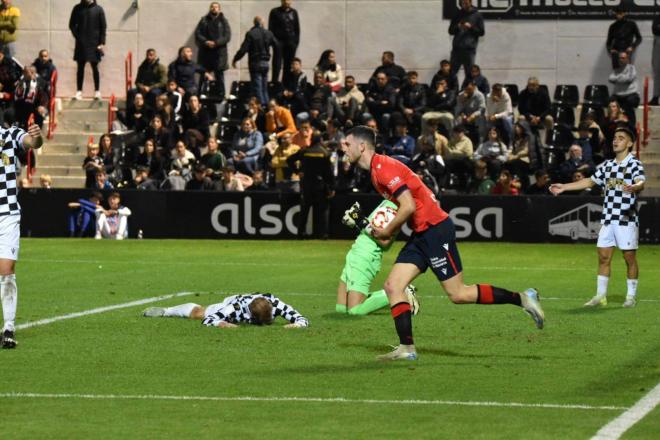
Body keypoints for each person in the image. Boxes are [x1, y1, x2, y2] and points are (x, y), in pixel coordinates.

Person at [340, 126, 543, 361]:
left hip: (435, 230)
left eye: (347, 143)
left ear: (361, 146)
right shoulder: (377, 172)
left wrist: (386, 230)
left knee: (458, 294)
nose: (342, 147)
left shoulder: (383, 168)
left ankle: (524, 298)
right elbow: (405, 208)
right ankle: (407, 348)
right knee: (393, 286)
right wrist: (384, 233)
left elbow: (409, 206)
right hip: (422, 233)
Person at [550, 126, 644, 308]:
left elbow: (641, 181)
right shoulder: (607, 165)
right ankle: (600, 296)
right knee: (603, 257)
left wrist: (636, 186)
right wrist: (564, 187)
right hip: (608, 218)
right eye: (615, 138)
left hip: (626, 218)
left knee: (629, 258)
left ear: (630, 143)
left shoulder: (634, 163)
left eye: (621, 138)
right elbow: (589, 181)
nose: (616, 141)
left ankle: (631, 296)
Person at [0, 121, 43, 348]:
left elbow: (31, 142)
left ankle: (8, 327)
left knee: (6, 270)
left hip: (7, 213)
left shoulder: (8, 134)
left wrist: (37, 137)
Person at [336, 200, 418, 316]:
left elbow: (385, 242)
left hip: (365, 255)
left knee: (355, 311)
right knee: (341, 309)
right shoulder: (388, 201)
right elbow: (370, 229)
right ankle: (393, 293)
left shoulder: (394, 207)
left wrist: (361, 222)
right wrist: (357, 223)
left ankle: (400, 291)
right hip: (357, 250)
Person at [143, 292, 308, 328]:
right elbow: (208, 320)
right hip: (235, 300)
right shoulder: (235, 309)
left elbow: (303, 319)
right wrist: (222, 324)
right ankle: (166, 310)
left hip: (252, 301)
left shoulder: (276, 305)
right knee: (198, 313)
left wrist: (296, 325)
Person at [287, 130, 334, 239]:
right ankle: (323, 234)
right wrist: (331, 187)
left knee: (304, 210)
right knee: (323, 210)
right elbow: (329, 173)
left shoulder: (305, 151)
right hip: (320, 185)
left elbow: (289, 160)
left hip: (306, 184)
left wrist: (297, 171)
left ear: (311, 139)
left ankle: (300, 234)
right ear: (321, 139)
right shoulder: (325, 153)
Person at [232, 16, 278, 106]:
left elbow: (243, 49)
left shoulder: (251, 34)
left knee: (258, 88)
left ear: (254, 23)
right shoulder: (269, 33)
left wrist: (235, 59)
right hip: (266, 63)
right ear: (263, 23)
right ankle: (269, 107)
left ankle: (263, 108)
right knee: (264, 88)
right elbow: (277, 46)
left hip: (255, 63)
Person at [69, 0, 106, 100]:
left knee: (95, 68)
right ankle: (79, 92)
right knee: (80, 68)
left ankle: (97, 92)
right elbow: (72, 25)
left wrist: (101, 43)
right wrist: (78, 37)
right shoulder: (77, 8)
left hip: (95, 44)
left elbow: (103, 27)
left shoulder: (99, 9)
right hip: (81, 44)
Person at [195, 2, 231, 99]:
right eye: (212, 7)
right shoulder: (203, 20)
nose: (214, 8)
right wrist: (206, 41)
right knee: (204, 75)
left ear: (219, 9)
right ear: (210, 8)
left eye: (216, 7)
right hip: (206, 53)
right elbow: (198, 34)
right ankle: (201, 95)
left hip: (219, 53)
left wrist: (216, 43)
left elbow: (227, 36)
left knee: (219, 75)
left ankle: (221, 96)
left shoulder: (224, 21)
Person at [448, 0, 485, 78]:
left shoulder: (477, 15)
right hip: (456, 49)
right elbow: (450, 31)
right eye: (462, 3)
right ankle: (452, 90)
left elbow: (481, 32)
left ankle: (467, 90)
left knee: (469, 74)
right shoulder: (457, 14)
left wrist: (471, 27)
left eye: (466, 3)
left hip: (469, 50)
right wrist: (457, 26)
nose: (464, 5)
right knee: (451, 74)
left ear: (470, 2)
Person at [269, 0, 300, 84]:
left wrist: (295, 43)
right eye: (285, 0)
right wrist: (274, 42)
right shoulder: (275, 12)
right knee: (277, 64)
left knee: (288, 65)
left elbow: (297, 29)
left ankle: (286, 84)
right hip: (279, 42)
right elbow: (271, 28)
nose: (287, 2)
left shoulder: (294, 12)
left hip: (290, 42)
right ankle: (274, 83)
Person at [608, 51, 640, 127]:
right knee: (610, 102)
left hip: (631, 94)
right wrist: (622, 78)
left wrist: (618, 78)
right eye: (620, 58)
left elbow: (628, 79)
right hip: (618, 95)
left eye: (623, 58)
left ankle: (631, 126)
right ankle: (613, 125)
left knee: (628, 104)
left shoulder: (631, 68)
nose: (621, 60)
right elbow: (611, 78)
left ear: (627, 59)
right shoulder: (617, 69)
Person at [652, 14, 660, 106]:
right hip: (658, 43)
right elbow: (655, 29)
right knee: (657, 71)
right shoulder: (658, 17)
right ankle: (655, 97)